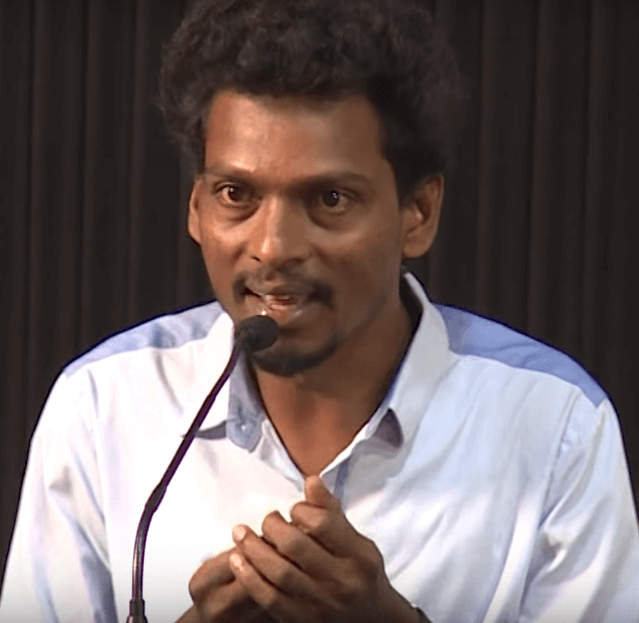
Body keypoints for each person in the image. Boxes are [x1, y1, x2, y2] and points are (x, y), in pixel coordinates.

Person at [1, 0, 638, 621]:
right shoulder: (101, 406)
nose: (273, 246)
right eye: (235, 194)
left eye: (330, 199)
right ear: (196, 208)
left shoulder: (555, 427)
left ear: (418, 214)